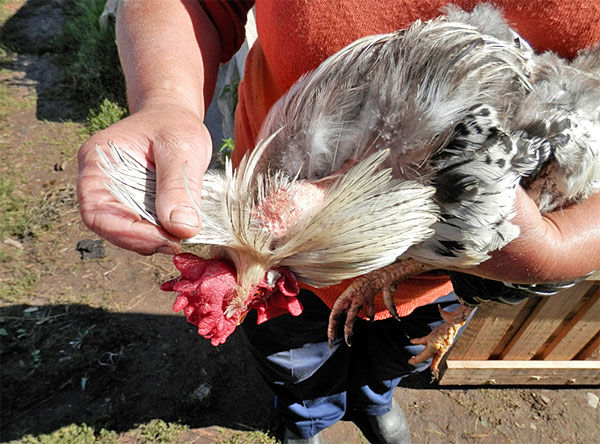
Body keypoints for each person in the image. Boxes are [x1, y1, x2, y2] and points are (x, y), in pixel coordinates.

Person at [78, 1, 600, 443]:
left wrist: (555, 252)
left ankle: (374, 403)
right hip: (306, 213)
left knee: (401, 349)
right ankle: (308, 419)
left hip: (449, 275)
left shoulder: (477, 203)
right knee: (292, 355)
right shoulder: (288, 214)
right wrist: (166, 100)